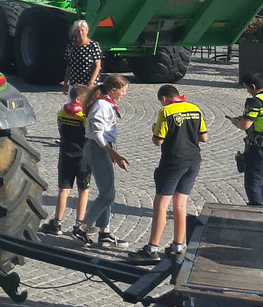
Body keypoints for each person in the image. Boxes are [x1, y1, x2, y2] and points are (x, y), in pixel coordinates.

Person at [129, 85, 208, 262]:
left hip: (173, 162)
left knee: (161, 205)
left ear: (164, 98)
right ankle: (178, 246)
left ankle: (152, 248)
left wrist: (154, 130)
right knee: (180, 205)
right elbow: (204, 137)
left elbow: (158, 141)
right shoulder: (194, 108)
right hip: (193, 161)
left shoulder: (166, 112)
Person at [78, 74, 130, 248]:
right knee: (107, 194)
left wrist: (111, 153)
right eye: (123, 91)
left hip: (101, 150)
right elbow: (98, 134)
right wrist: (113, 154)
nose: (124, 94)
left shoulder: (105, 104)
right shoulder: (102, 105)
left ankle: (104, 232)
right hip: (97, 149)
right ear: (113, 90)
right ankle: (83, 228)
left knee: (107, 192)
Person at [40, 82, 91, 237]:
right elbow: (90, 132)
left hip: (66, 156)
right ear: (78, 100)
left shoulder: (61, 113)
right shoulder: (84, 118)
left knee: (63, 190)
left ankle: (57, 223)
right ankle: (79, 224)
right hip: (83, 158)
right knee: (83, 191)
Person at [229, 71, 263, 208]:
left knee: (252, 178)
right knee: (255, 172)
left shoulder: (255, 101)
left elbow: (245, 125)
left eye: (246, 88)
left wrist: (236, 122)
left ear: (253, 86)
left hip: (261, 146)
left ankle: (256, 208)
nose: (247, 91)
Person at [63, 19, 102, 96]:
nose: (80, 33)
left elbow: (97, 66)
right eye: (78, 31)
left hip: (88, 83)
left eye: (82, 30)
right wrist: (65, 83)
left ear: (87, 30)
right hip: (74, 84)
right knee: (73, 107)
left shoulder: (93, 45)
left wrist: (91, 83)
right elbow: (69, 65)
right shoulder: (71, 46)